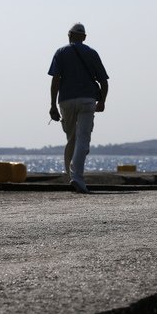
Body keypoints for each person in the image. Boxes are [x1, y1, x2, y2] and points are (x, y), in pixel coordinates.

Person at [48, 23, 109, 193]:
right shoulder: (92, 53)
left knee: (72, 139)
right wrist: (102, 101)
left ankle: (71, 175)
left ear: (70, 35)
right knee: (83, 139)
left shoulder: (60, 52)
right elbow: (103, 81)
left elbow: (55, 81)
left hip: (66, 100)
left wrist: (52, 104)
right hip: (87, 100)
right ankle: (76, 177)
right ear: (84, 37)